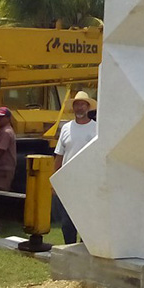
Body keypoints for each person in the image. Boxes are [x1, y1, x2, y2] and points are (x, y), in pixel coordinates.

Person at [53, 91, 97, 244]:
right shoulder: (66, 128)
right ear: (73, 108)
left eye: (82, 104)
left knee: (86, 220)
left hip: (88, 182)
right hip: (68, 182)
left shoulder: (96, 128)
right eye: (77, 105)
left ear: (87, 107)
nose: (79, 108)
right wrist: (54, 180)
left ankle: (84, 247)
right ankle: (69, 247)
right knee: (67, 222)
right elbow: (59, 154)